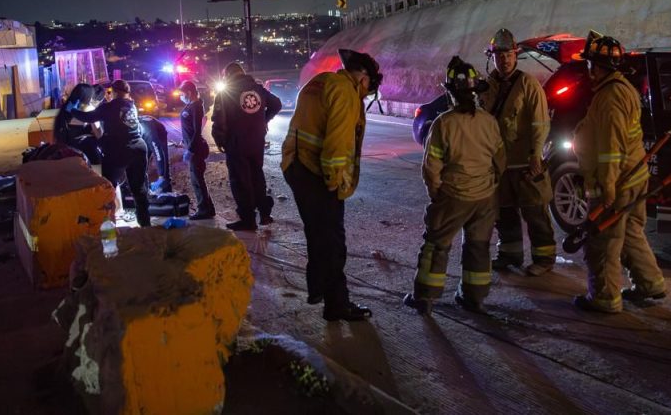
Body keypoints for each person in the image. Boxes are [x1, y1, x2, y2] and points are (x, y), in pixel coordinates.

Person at [281, 48, 382, 322]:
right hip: (317, 174)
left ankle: (318, 290)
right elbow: (337, 145)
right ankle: (337, 304)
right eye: (367, 90)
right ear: (363, 79)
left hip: (295, 166)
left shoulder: (318, 81)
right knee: (333, 240)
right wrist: (336, 185)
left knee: (317, 234)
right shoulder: (345, 91)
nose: (365, 95)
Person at [572, 33, 666, 313]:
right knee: (631, 233)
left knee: (604, 241)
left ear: (598, 67)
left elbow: (611, 148)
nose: (588, 70)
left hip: (615, 181)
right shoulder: (624, 88)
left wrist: (609, 186)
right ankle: (651, 283)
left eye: (590, 64)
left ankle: (604, 297)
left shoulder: (610, 97)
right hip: (635, 176)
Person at [404, 57, 505, 316]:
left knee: (436, 245)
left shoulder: (443, 123)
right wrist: (490, 184)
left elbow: (431, 167)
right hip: (484, 197)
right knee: (479, 247)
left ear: (450, 92)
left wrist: (436, 192)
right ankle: (475, 298)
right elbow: (500, 160)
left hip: (453, 196)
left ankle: (424, 298)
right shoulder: (488, 122)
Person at [480, 28, 557, 276]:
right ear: (492, 57)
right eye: (498, 55)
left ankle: (544, 259)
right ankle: (509, 254)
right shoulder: (488, 85)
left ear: (516, 55)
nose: (503, 59)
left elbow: (540, 122)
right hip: (499, 163)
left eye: (508, 55)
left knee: (535, 211)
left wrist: (536, 154)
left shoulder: (528, 84)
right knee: (504, 212)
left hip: (524, 162)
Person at [68, 79, 151, 227]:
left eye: (110, 92)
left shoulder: (109, 107)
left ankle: (109, 224)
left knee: (107, 188)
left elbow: (88, 117)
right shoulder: (131, 105)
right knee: (139, 189)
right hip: (138, 148)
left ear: (114, 92)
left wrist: (71, 109)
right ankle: (145, 225)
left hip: (118, 150)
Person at [211, 62, 282, 231]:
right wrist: (264, 119)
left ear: (227, 76)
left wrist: (220, 141)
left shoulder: (225, 93)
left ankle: (248, 219)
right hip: (257, 141)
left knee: (240, 180)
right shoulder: (257, 88)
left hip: (237, 143)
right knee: (257, 175)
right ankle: (264, 213)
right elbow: (276, 104)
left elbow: (218, 121)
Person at [179, 80, 215, 220]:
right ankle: (208, 208)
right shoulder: (190, 105)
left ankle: (203, 209)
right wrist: (184, 141)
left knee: (197, 180)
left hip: (196, 150)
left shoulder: (196, 106)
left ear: (188, 92)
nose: (181, 96)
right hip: (191, 146)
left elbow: (196, 131)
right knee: (197, 179)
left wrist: (191, 150)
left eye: (182, 93)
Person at [139, 116, 172, 193]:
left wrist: (161, 176)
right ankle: (143, 186)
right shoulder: (130, 130)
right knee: (142, 160)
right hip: (144, 135)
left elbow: (158, 153)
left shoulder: (149, 132)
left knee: (162, 159)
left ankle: (166, 189)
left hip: (160, 133)